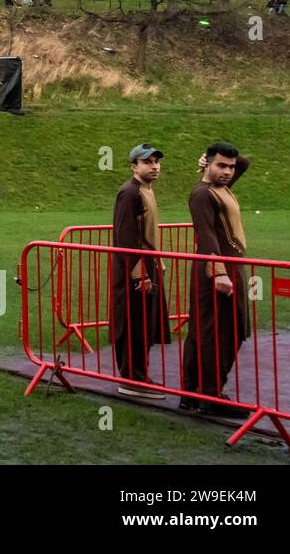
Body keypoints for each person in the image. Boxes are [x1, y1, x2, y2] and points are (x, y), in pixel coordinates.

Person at [179, 143, 252, 418]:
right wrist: (219, 272)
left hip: (228, 266)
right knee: (217, 333)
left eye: (231, 167)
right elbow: (207, 235)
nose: (228, 171)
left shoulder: (221, 187)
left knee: (216, 331)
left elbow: (244, 163)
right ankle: (209, 395)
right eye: (221, 165)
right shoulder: (202, 194)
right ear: (207, 164)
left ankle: (194, 394)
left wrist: (218, 162)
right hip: (217, 269)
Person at [111, 145, 171, 398]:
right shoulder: (130, 193)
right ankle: (132, 380)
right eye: (148, 162)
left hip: (148, 265)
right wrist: (140, 274)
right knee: (134, 323)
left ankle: (140, 375)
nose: (154, 166)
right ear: (134, 166)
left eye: (157, 161)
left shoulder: (146, 190)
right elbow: (125, 237)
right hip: (135, 270)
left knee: (145, 324)